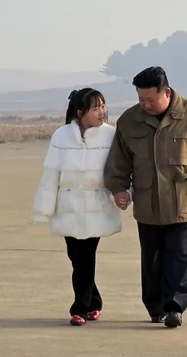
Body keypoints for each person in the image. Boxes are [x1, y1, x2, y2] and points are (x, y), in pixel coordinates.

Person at [105, 66, 187, 329]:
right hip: (148, 202)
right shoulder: (129, 121)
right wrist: (119, 189)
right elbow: (119, 161)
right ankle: (155, 308)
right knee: (152, 257)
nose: (145, 105)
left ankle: (175, 307)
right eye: (141, 100)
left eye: (151, 100)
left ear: (166, 92)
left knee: (180, 254)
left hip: (183, 199)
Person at [32, 88, 122, 326]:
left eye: (103, 106)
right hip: (68, 206)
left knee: (85, 257)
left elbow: (119, 171)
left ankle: (79, 309)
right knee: (76, 257)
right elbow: (51, 175)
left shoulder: (110, 135)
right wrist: (44, 209)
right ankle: (94, 301)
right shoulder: (61, 136)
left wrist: (123, 194)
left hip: (96, 206)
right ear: (80, 112)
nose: (102, 112)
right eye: (95, 108)